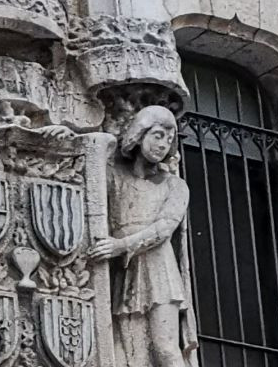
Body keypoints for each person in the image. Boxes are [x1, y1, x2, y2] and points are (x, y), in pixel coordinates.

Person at [88, 105, 198, 367]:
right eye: (158, 135)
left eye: (169, 140)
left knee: (165, 349)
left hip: (159, 270)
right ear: (139, 134)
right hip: (125, 271)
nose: (163, 145)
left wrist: (121, 246)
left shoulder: (175, 185)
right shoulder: (113, 176)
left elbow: (163, 229)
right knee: (132, 355)